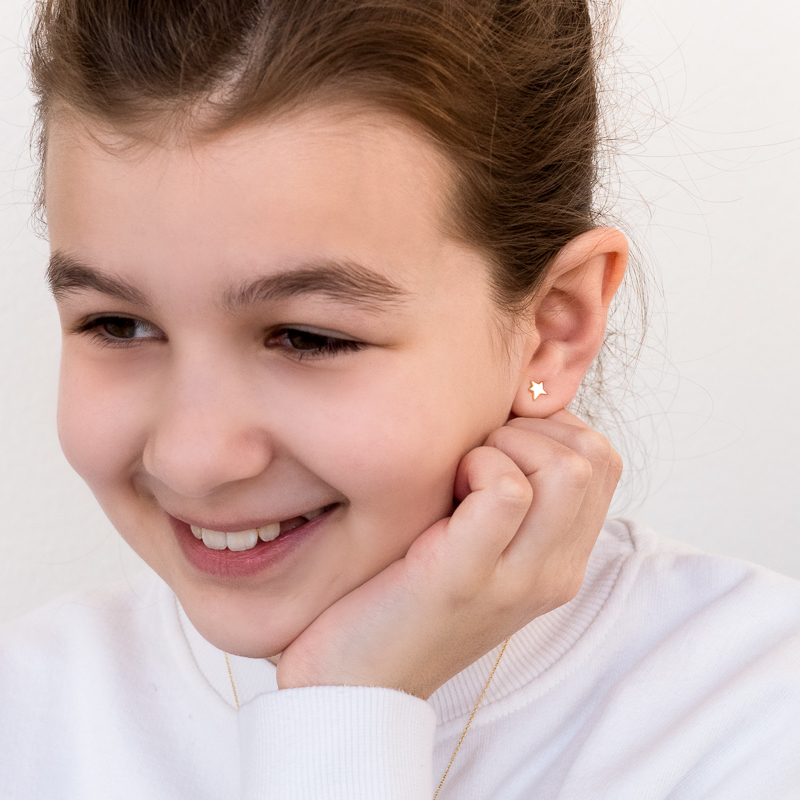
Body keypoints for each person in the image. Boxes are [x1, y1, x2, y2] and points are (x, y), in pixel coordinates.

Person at [1, 0, 799, 797]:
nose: (192, 459)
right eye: (118, 325)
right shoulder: (29, 714)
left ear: (553, 329)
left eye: (307, 337)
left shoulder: (760, 720)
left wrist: (340, 712)